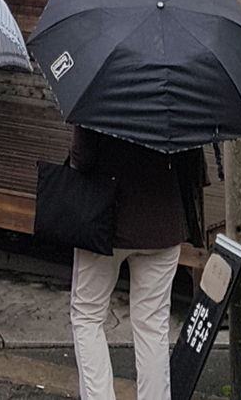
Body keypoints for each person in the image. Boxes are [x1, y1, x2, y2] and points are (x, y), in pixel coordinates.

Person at [68, 127, 205, 400]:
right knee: (152, 325)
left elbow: (83, 158)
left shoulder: (100, 100)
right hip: (163, 219)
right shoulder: (178, 103)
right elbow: (193, 163)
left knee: (87, 315)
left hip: (105, 220)